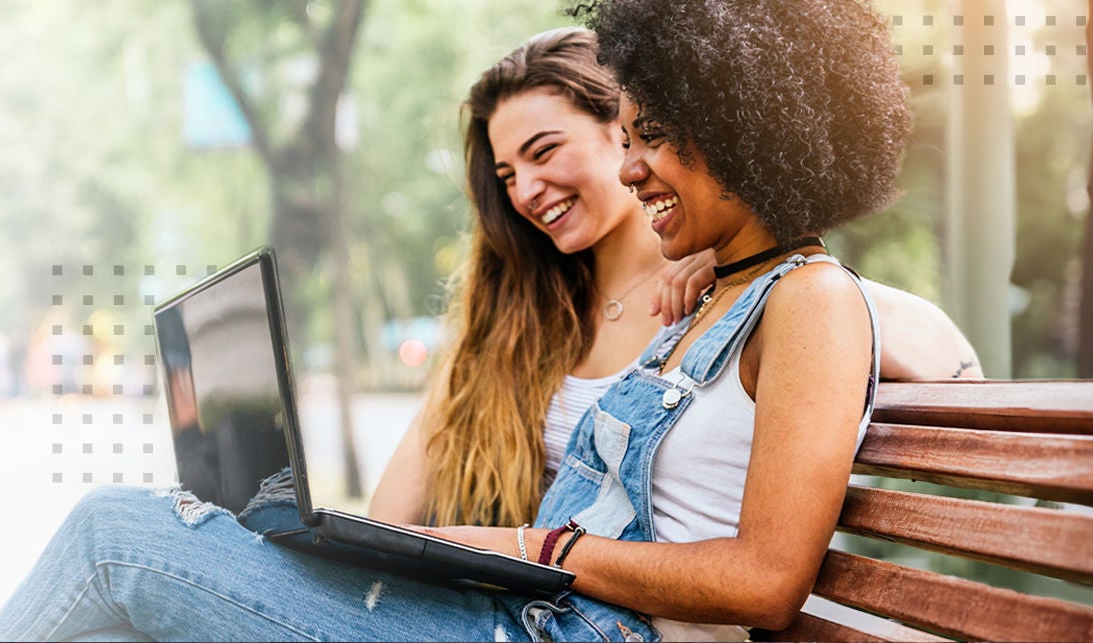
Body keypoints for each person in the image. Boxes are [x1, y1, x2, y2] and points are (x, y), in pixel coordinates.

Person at [0, 0, 973, 639]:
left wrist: (531, 548)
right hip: (523, 615)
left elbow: (767, 581)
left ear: (750, 126)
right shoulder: (711, 300)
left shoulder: (809, 301)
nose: (632, 170)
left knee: (115, 531)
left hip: (554, 622)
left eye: (652, 137)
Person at [369, 27, 980, 528]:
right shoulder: (515, 314)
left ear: (624, 130)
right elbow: (391, 514)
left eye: (545, 151)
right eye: (506, 175)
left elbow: (954, 363)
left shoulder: (739, 289)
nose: (526, 191)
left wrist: (747, 275)